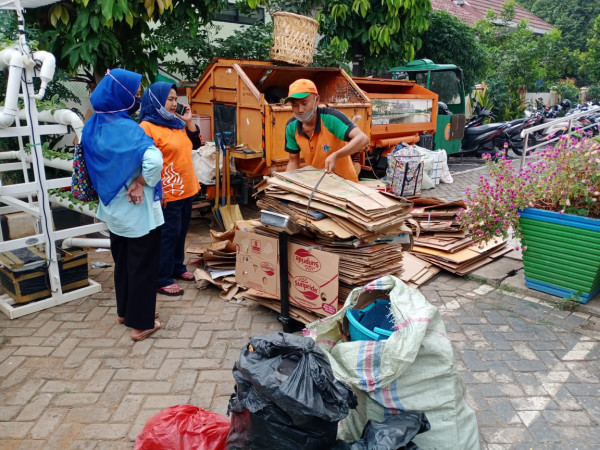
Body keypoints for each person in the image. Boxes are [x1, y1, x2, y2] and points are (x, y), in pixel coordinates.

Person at [82, 68, 163, 341]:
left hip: (112, 210)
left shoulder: (92, 126)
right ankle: (141, 324)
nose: (136, 99)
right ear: (121, 96)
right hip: (136, 210)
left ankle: (124, 312)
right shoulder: (129, 129)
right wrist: (140, 180)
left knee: (123, 263)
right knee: (142, 265)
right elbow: (154, 160)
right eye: (134, 94)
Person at [139, 82, 201, 297]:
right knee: (167, 235)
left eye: (176, 99)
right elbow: (145, 161)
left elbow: (196, 144)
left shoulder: (176, 123)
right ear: (157, 100)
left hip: (187, 187)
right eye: (170, 99)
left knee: (181, 231)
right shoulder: (147, 127)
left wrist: (189, 121)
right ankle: (162, 277)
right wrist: (158, 190)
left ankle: (177, 267)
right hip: (167, 190)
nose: (174, 104)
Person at [284, 79, 369, 182]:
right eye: (295, 105)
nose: (300, 109)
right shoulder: (291, 126)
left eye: (304, 103)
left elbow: (362, 138)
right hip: (317, 183)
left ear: (317, 100)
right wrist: (286, 183)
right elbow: (293, 160)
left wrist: (336, 155)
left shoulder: (330, 118)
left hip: (344, 183)